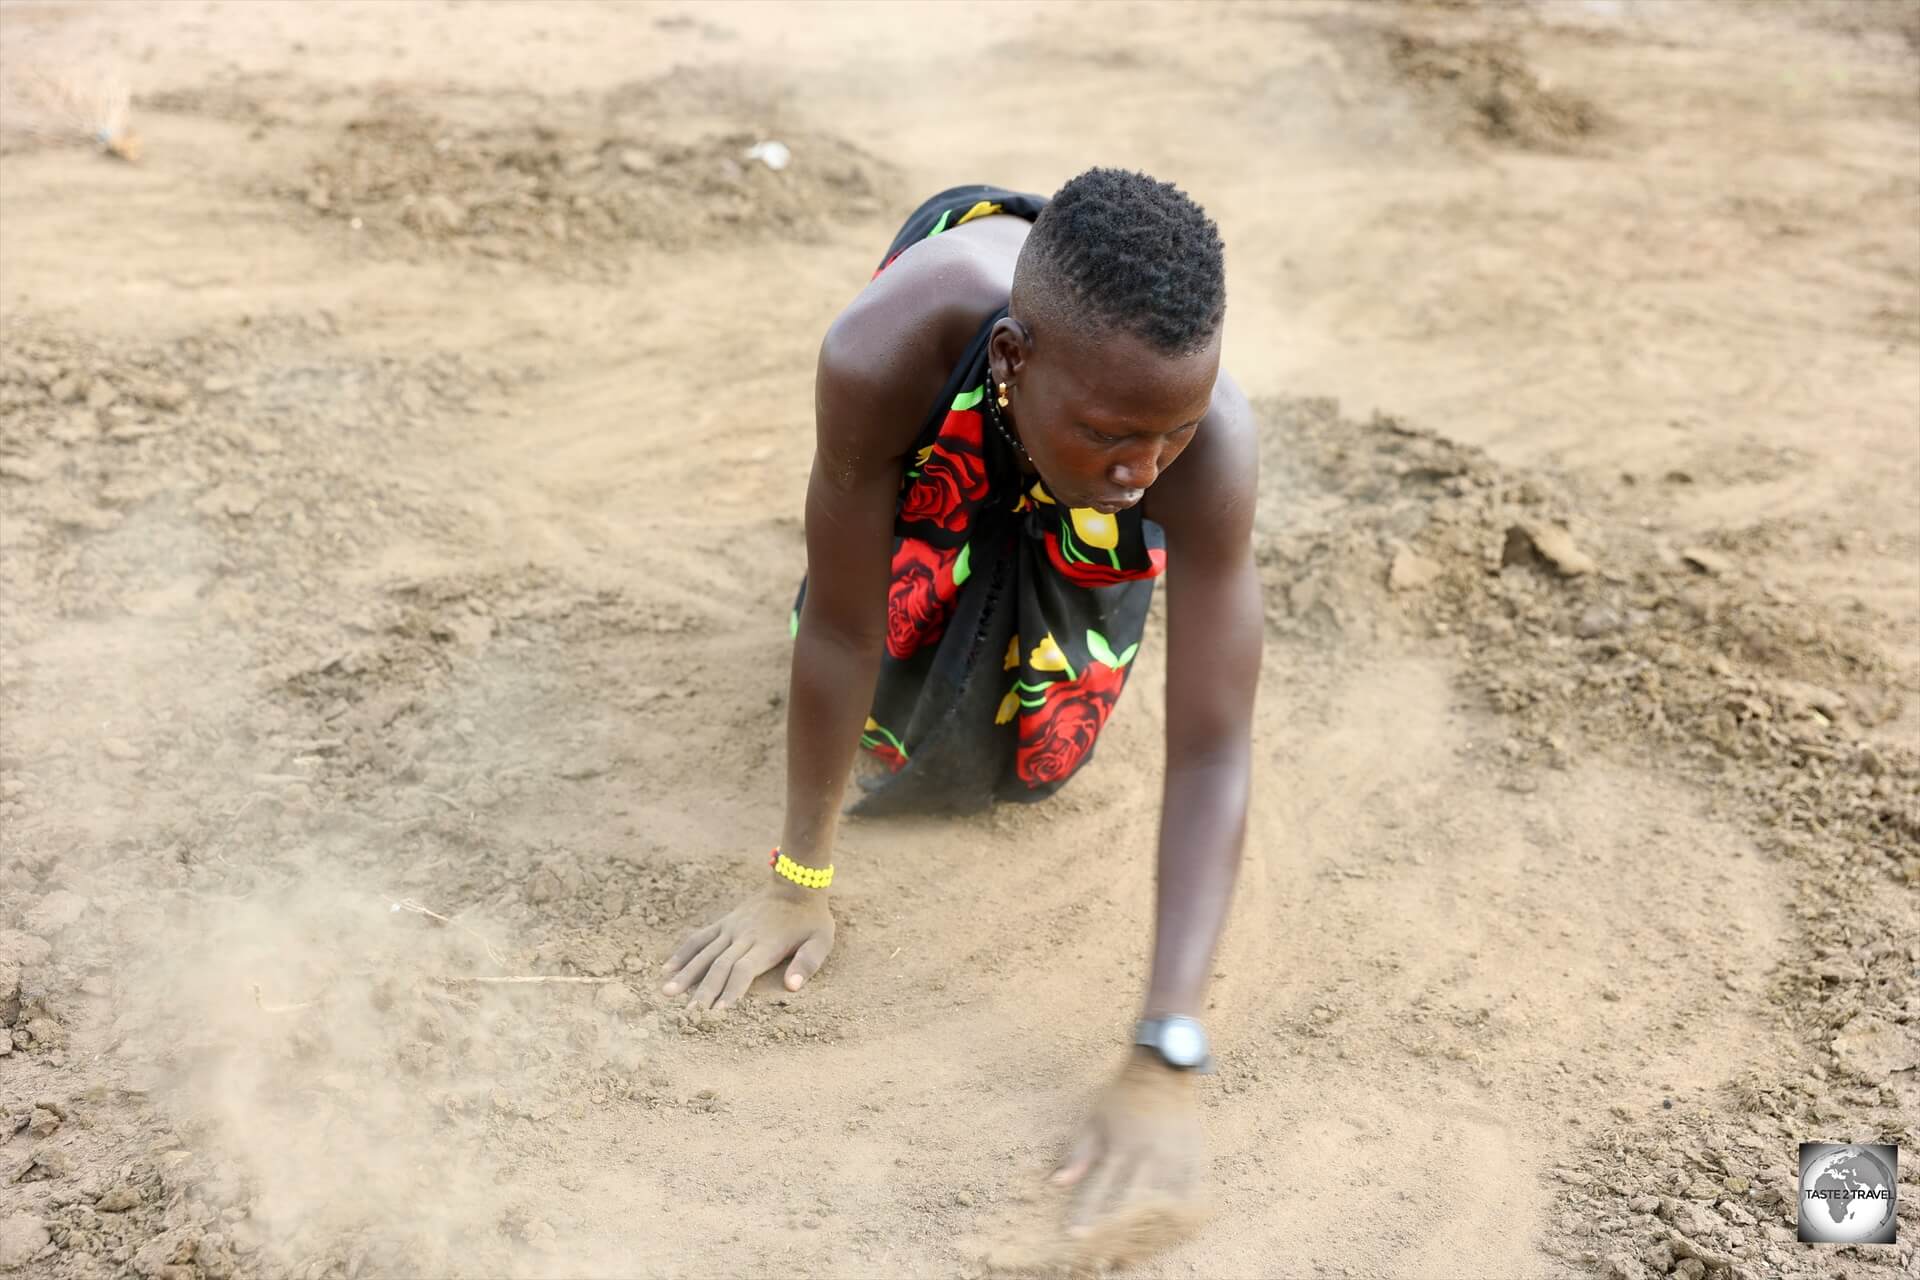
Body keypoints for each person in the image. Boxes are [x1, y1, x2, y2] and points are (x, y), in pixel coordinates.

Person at [661, 169, 1261, 1228]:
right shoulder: (879, 353)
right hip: (951, 405)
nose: (1143, 473)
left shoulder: (1200, 448)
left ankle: (1039, 526)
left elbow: (1212, 748)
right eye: (1117, 434)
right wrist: (801, 874)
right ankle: (976, 518)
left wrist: (1166, 1047)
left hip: (1047, 408)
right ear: (1014, 358)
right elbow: (844, 630)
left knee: (1034, 757)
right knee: (890, 668)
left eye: (1171, 433)